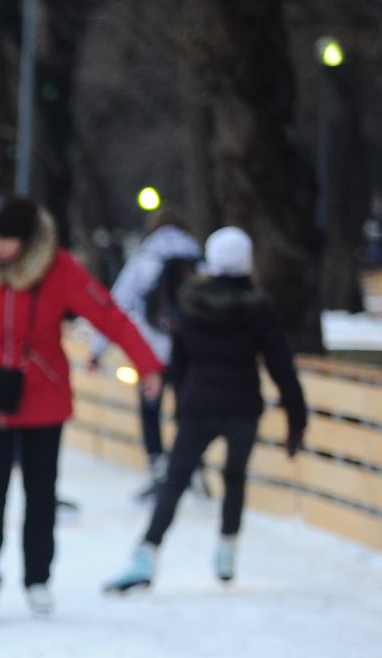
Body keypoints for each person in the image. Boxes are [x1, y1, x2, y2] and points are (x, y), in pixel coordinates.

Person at [0, 195, 164, 617]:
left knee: (40, 495)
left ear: (28, 241)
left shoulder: (60, 269)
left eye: (8, 242)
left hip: (43, 399)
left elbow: (109, 316)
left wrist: (147, 366)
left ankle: (37, 578)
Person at [104, 227, 308, 593]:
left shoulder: (191, 303)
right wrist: (296, 417)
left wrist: (181, 405)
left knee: (175, 481)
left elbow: (179, 362)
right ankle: (227, 549)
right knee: (234, 477)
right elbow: (280, 364)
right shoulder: (258, 307)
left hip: (198, 404)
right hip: (243, 404)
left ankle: (146, 555)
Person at [102, 209, 204, 499]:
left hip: (152, 354)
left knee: (151, 411)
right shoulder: (197, 258)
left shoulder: (145, 257)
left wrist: (98, 350)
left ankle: (158, 468)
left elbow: (119, 302)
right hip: (190, 351)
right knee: (186, 410)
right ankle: (189, 465)